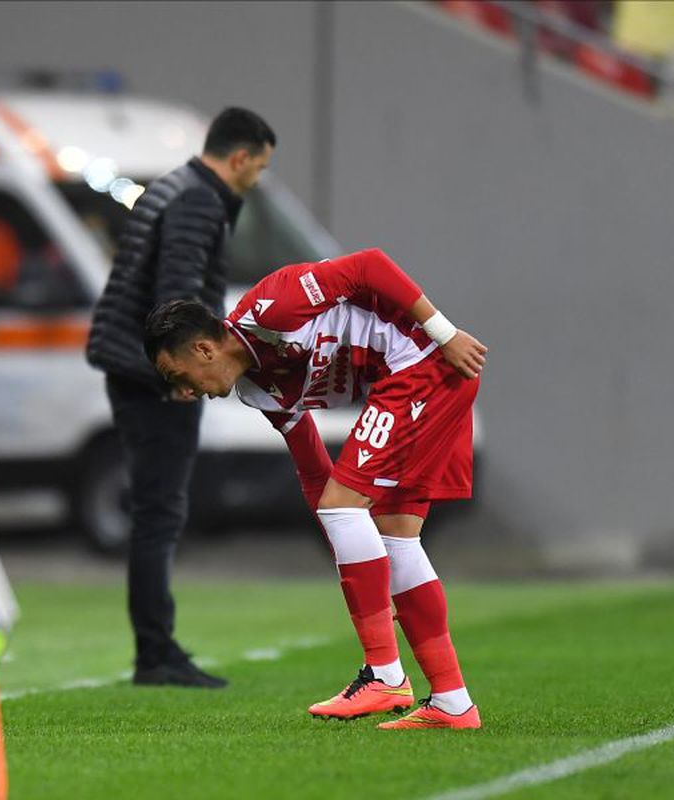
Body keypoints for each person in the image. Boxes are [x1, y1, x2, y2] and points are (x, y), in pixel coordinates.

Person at [142, 248, 488, 729]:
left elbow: (370, 265)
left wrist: (444, 333)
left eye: (178, 376)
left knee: (354, 512)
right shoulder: (256, 389)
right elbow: (313, 471)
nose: (185, 391)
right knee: (393, 536)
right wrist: (359, 574)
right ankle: (453, 702)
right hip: (417, 381)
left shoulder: (275, 308)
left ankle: (384, 676)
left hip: (424, 365)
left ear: (203, 349)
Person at [85, 108, 276, 688]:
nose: (258, 179)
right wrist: (181, 378)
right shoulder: (197, 200)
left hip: (131, 366)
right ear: (239, 157)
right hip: (150, 378)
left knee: (154, 510)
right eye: (259, 166)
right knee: (159, 512)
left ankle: (155, 647)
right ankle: (156, 652)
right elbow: (178, 297)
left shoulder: (174, 184)